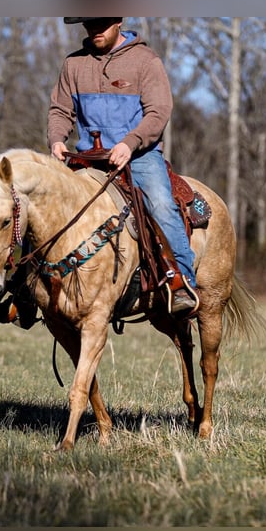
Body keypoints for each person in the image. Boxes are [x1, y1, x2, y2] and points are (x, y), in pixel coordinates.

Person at [48, 17, 199, 316]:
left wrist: (129, 143)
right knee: (45, 203)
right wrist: (56, 139)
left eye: (102, 23)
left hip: (139, 155)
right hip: (87, 158)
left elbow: (158, 112)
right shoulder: (74, 65)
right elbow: (60, 110)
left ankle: (181, 283)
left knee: (161, 206)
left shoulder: (146, 61)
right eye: (89, 23)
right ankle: (23, 292)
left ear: (118, 21)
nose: (95, 29)